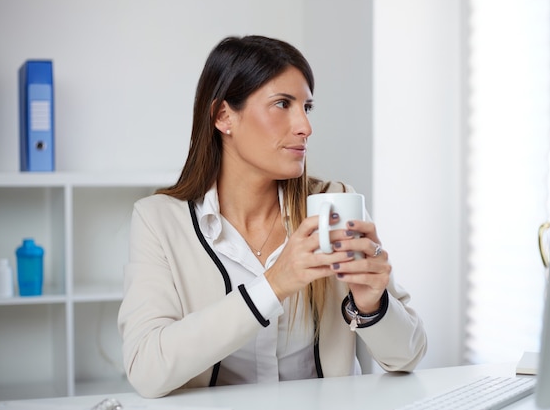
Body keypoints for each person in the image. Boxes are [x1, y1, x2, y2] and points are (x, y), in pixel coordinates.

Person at [117, 35, 427, 399]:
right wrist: (272, 286)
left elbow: (408, 357)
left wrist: (372, 305)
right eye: (282, 104)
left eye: (307, 108)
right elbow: (146, 369)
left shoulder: (333, 203)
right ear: (223, 116)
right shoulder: (160, 221)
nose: (305, 127)